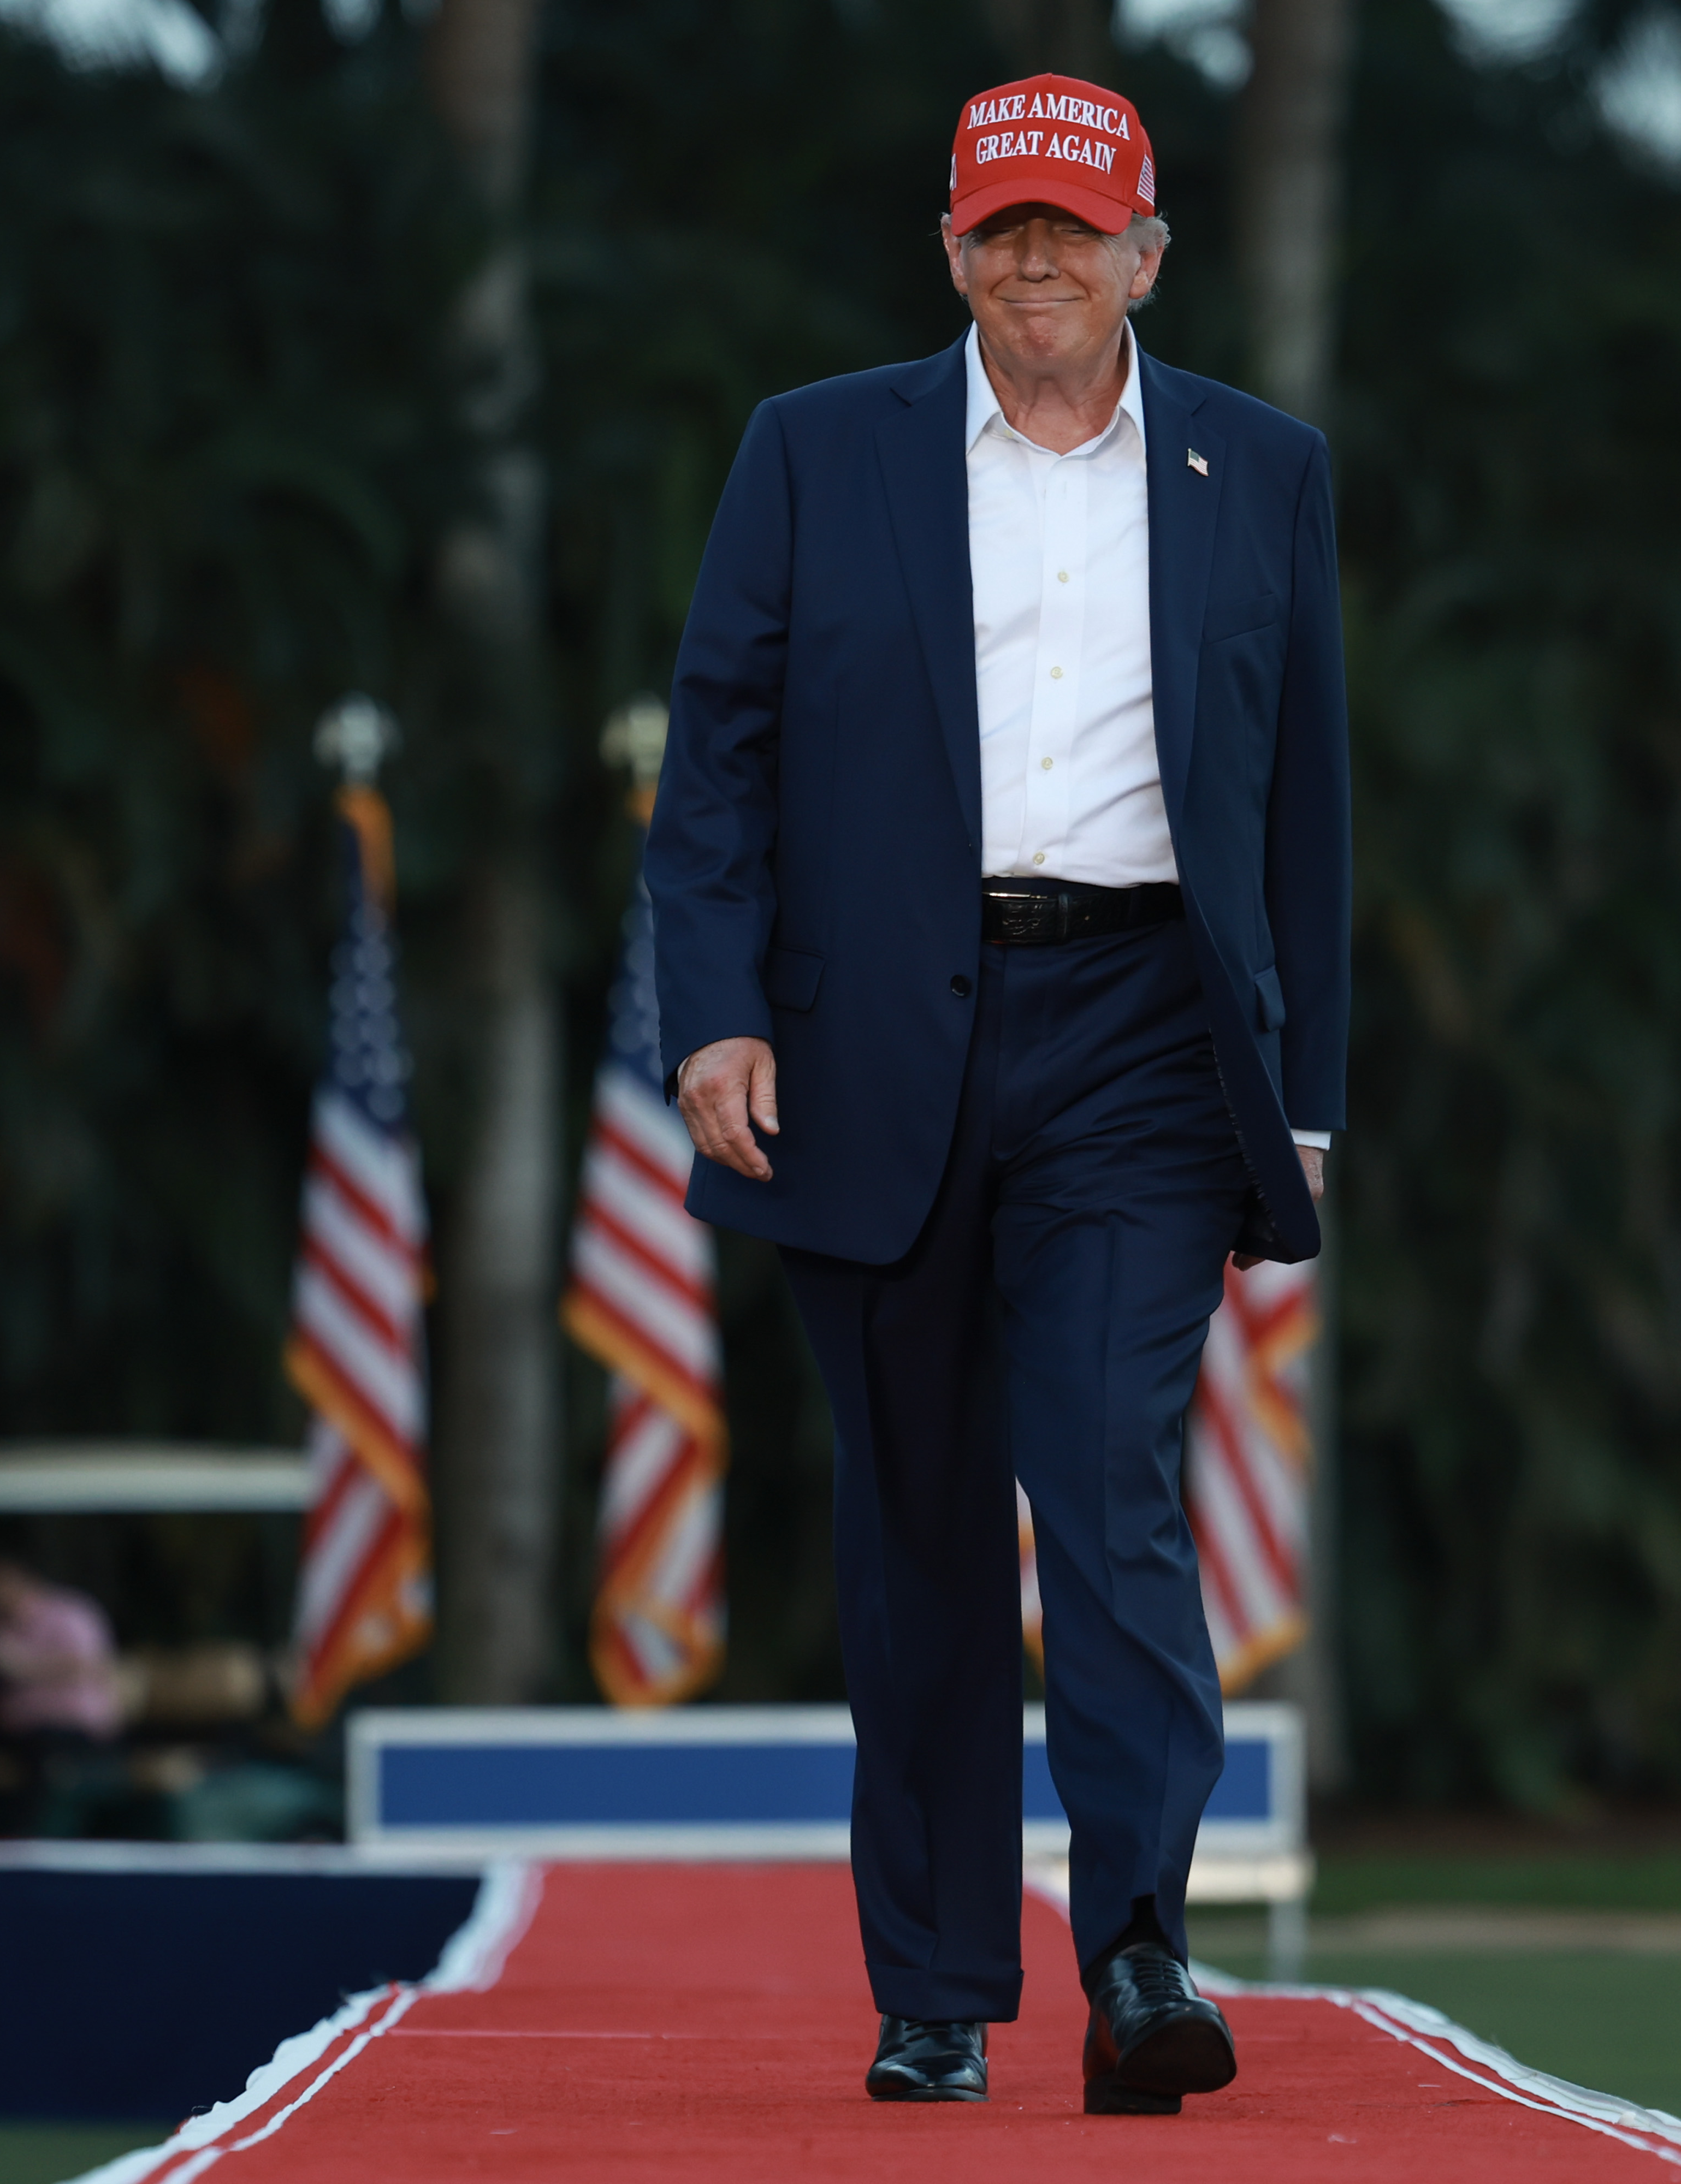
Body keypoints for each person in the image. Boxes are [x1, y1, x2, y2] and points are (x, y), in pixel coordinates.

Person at [645, 73, 1347, 2114]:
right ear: (949, 247)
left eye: (1073, 226)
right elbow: (717, 763)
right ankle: (937, 1983)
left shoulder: (1259, 469)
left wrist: (1299, 1090)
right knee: (921, 1525)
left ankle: (1137, 1949)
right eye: (999, 226)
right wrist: (712, 1014)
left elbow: (1302, 799)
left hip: (1140, 1036)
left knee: (1110, 1497)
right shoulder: (810, 450)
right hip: (871, 1051)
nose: (1034, 258)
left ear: (1148, 252)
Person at [0, 1548, 123, 1836]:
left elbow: (85, 1666)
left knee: (42, 1756)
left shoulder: (70, 1613)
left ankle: (32, 1843)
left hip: (74, 1729)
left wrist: (21, 1667)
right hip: (15, 1731)